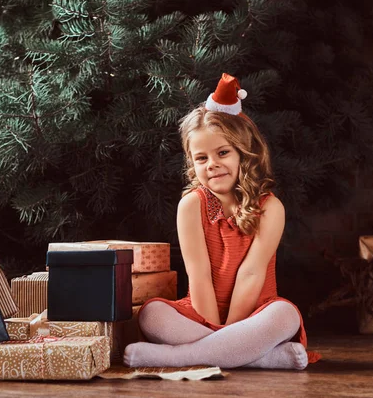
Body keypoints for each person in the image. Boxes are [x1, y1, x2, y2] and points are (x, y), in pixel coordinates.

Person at [124, 73, 321, 369]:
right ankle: (253, 356)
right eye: (201, 158)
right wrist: (219, 331)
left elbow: (252, 274)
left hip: (255, 313)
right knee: (152, 315)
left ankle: (181, 357)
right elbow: (199, 275)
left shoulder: (270, 207)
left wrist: (233, 330)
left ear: (244, 153)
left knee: (286, 316)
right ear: (192, 163)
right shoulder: (192, 204)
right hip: (202, 314)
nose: (212, 164)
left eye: (223, 153)